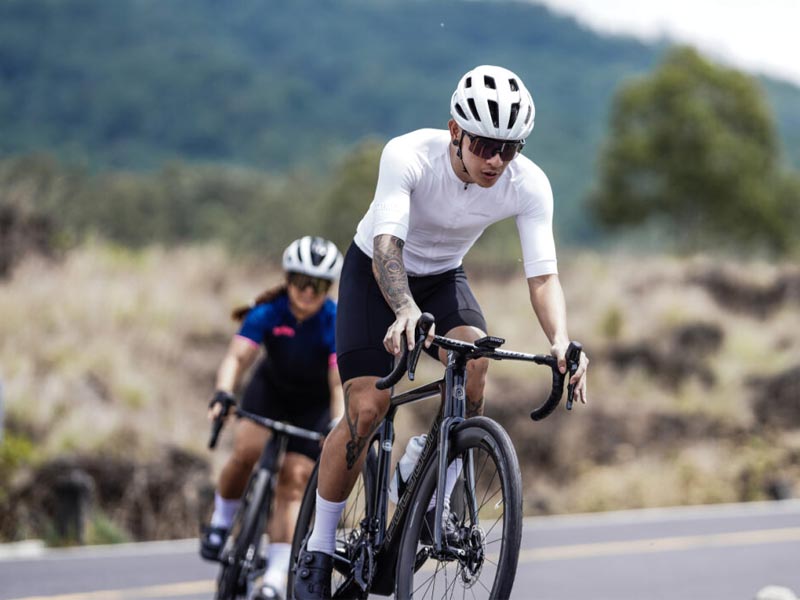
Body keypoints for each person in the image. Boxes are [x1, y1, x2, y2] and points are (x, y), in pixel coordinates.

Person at [293, 65, 590, 599]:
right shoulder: (408, 155)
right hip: (376, 272)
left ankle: (430, 488)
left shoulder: (528, 184)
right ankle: (317, 546)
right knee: (367, 408)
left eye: (509, 148)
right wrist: (404, 308)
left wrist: (560, 340)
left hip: (443, 277)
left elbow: (543, 277)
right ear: (455, 130)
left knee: (477, 361)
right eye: (485, 145)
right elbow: (386, 246)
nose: (496, 160)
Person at [201, 236, 345, 600]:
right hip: (270, 393)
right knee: (247, 451)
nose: (308, 292)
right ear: (288, 279)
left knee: (295, 479)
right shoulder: (269, 310)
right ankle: (221, 520)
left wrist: (338, 423)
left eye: (318, 285)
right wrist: (223, 393)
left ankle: (276, 576)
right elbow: (237, 357)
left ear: (328, 288)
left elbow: (338, 381)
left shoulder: (334, 320)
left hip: (313, 406)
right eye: (301, 282)